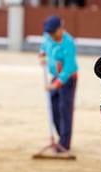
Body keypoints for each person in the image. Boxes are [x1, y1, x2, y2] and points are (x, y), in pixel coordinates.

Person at [39, 15, 79, 153]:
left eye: (52, 32)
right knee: (53, 108)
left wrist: (56, 85)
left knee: (64, 110)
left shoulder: (68, 43)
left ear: (60, 28)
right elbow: (44, 45)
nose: (50, 35)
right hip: (55, 76)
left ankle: (64, 144)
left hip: (68, 79)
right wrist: (42, 54)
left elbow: (68, 67)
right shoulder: (47, 35)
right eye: (48, 32)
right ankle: (61, 137)